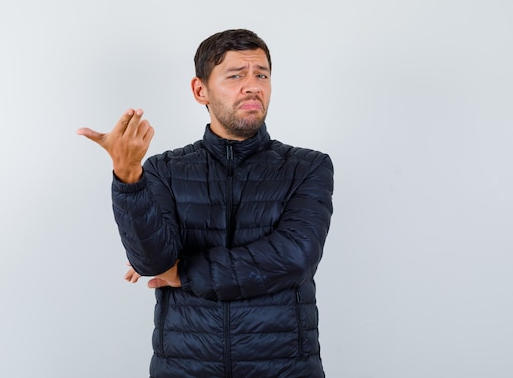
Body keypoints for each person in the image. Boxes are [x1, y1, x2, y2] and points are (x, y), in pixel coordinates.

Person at [77, 29, 334, 378]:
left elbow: (293, 257)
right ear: (201, 90)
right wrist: (128, 176)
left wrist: (183, 272)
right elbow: (152, 261)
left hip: (285, 368)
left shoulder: (307, 167)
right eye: (235, 76)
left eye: (261, 75)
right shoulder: (164, 170)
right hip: (184, 368)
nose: (252, 86)